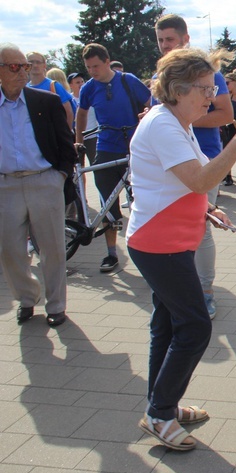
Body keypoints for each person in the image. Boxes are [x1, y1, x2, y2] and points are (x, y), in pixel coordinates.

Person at [127, 47, 236, 451]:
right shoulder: (163, 124)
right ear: (177, 89)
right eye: (205, 88)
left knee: (169, 324)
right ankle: (159, 413)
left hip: (168, 238)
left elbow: (179, 182)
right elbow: (199, 179)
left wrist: (206, 209)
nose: (213, 96)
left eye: (214, 87)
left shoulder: (176, 121)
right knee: (194, 326)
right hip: (159, 243)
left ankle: (164, 406)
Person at [154, 14, 234, 318]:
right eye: (160, 40)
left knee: (200, 227)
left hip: (205, 158)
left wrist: (185, 117)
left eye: (170, 39)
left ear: (186, 39)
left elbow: (226, 114)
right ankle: (180, 289)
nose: (164, 45)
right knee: (175, 229)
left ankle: (205, 291)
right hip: (170, 163)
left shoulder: (207, 73)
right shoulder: (163, 73)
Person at [0, 43, 76, 327]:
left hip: (44, 181)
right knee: (9, 250)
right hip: (6, 185)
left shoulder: (45, 101)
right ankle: (28, 297)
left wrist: (61, 176)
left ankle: (56, 305)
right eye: (14, 66)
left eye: (25, 65)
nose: (23, 71)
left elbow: (65, 143)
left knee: (53, 248)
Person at [75, 43, 152, 272]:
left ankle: (147, 253)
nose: (92, 71)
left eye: (96, 66)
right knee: (107, 202)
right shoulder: (89, 88)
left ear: (108, 62)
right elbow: (81, 112)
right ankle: (111, 254)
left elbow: (151, 104)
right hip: (106, 146)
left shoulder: (128, 80)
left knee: (142, 199)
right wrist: (78, 139)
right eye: (88, 67)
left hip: (135, 146)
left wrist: (147, 115)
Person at [26, 51, 74, 128]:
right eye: (31, 62)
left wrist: (66, 134)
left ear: (44, 65)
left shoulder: (54, 86)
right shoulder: (25, 88)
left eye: (38, 62)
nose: (35, 65)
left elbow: (68, 113)